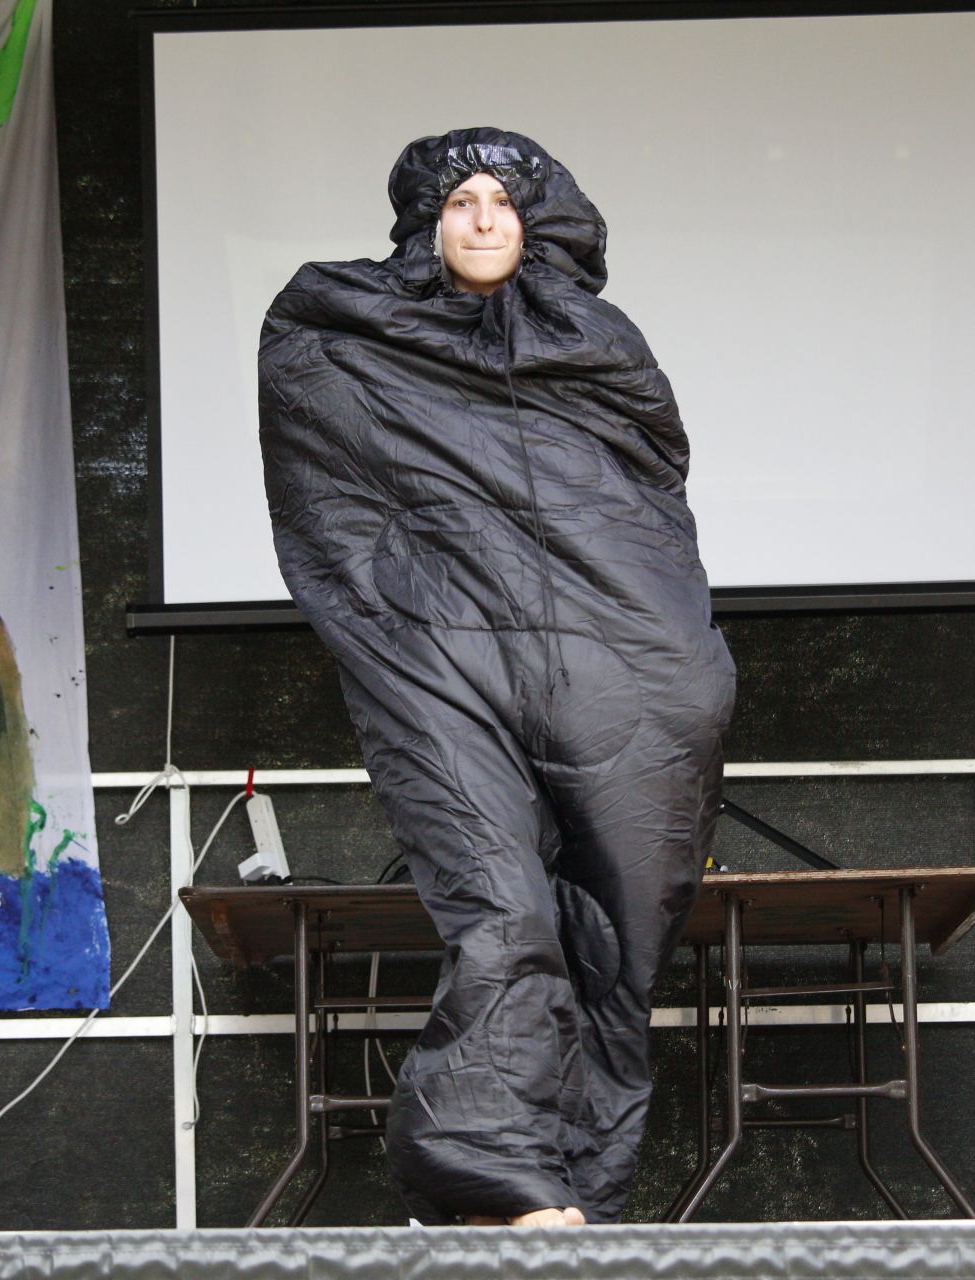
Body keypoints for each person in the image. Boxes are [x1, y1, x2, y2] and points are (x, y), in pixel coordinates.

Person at [257, 128, 735, 1226]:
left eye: (503, 202)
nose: (482, 218)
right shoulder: (347, 331)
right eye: (460, 200)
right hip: (446, 670)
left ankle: (574, 1188)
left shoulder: (599, 347)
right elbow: (340, 499)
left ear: (537, 221)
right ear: (427, 221)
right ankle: (492, 1168)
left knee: (615, 939)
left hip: (602, 678)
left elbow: (644, 510)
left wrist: (678, 668)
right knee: (504, 912)